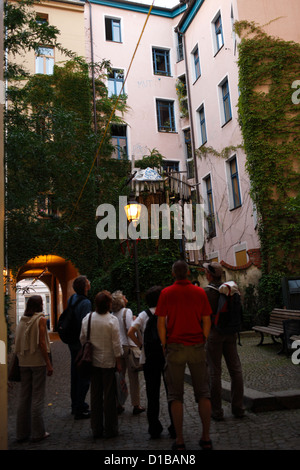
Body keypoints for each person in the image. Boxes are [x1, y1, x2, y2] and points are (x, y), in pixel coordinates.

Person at [156, 260, 213, 451]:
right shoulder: (199, 292)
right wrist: (203, 339)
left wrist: (165, 344)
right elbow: (207, 319)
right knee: (204, 393)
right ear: (188, 273)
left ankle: (179, 440)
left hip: (175, 347)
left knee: (176, 396)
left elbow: (161, 323)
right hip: (196, 345)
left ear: (173, 274)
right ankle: (206, 437)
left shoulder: (166, 293)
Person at [128, 286, 175, 439]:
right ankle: (174, 425)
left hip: (149, 358)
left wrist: (140, 345)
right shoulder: (166, 313)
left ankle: (154, 427)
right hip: (166, 355)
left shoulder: (143, 315)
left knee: (152, 393)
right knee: (171, 392)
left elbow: (131, 332)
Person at [204, 261, 245, 421]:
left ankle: (217, 411)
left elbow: (203, 316)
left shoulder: (207, 292)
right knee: (236, 369)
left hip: (215, 334)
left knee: (215, 372)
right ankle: (238, 408)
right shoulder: (231, 289)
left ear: (209, 275)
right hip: (231, 333)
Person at [80, 290, 123, 439]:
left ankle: (96, 427)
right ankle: (111, 428)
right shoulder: (112, 320)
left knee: (95, 395)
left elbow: (82, 338)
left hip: (93, 362)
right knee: (110, 396)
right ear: (108, 304)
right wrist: (119, 362)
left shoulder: (88, 318)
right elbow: (116, 344)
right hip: (108, 362)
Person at [14, 295, 53, 442]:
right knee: (37, 397)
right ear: (40, 305)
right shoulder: (41, 319)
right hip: (37, 362)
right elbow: (42, 343)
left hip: (23, 362)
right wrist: (48, 363)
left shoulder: (22, 320)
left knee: (24, 397)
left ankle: (21, 432)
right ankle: (38, 432)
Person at [111, 290, 145, 415]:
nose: (125, 297)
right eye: (123, 296)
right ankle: (136, 404)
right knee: (133, 377)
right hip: (128, 347)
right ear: (121, 300)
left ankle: (119, 403)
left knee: (120, 377)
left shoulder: (112, 314)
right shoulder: (127, 311)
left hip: (118, 348)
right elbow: (131, 330)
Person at [67, 275, 92, 419]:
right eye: (88, 283)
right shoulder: (86, 303)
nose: (89, 285)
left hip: (71, 342)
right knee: (83, 374)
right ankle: (80, 407)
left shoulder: (72, 299)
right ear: (85, 287)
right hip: (80, 343)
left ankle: (74, 405)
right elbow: (86, 324)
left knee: (74, 374)